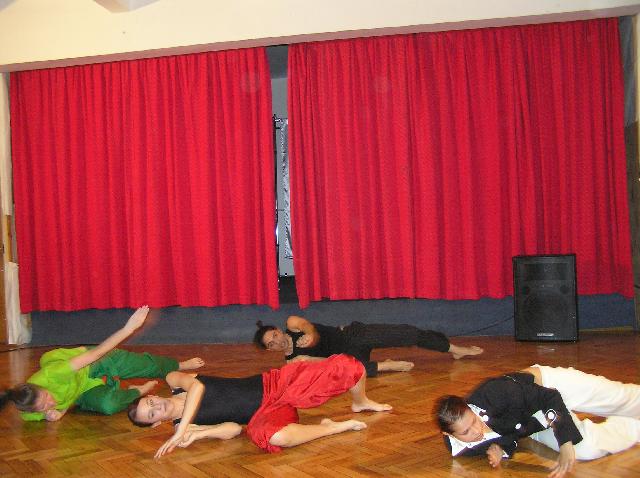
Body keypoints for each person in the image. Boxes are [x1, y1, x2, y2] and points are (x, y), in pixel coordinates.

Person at [128, 353, 392, 456]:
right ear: (156, 424)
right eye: (151, 414)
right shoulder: (183, 427)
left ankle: (361, 402)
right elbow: (233, 429)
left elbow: (197, 387)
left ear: (154, 396)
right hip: (264, 414)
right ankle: (331, 427)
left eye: (150, 402)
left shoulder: (174, 380)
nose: (156, 407)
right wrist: (196, 434)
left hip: (274, 384)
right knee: (273, 438)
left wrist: (181, 431)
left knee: (348, 366)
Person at [0, 305, 204, 422]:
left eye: (47, 397)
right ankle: (138, 391)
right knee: (109, 406)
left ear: (40, 387)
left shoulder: (54, 374)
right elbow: (54, 408)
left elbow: (97, 353)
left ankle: (178, 365)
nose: (50, 403)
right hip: (82, 390)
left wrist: (129, 328)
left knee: (143, 365)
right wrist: (54, 414)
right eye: (43, 407)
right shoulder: (28, 414)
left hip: (91, 363)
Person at [435, 365, 640, 478]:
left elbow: (549, 397)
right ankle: (635, 428)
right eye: (465, 432)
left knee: (622, 399)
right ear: (448, 434)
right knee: (587, 449)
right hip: (535, 422)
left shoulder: (494, 393)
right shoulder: (460, 448)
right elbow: (507, 436)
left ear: (469, 408)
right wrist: (501, 449)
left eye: (474, 421)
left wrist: (565, 442)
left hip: (549, 388)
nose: (476, 430)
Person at [254, 315, 483, 377]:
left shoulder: (292, 325)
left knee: (407, 333)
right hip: (349, 357)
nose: (276, 341)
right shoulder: (292, 363)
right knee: (352, 371)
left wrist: (311, 336)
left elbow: (306, 325)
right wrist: (310, 360)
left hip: (352, 335)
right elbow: (330, 367)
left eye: (274, 335)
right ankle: (387, 366)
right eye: (271, 344)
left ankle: (455, 350)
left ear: (278, 329)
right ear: (270, 350)